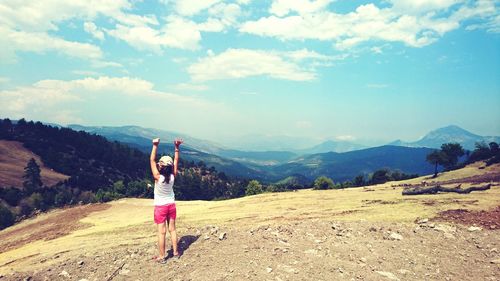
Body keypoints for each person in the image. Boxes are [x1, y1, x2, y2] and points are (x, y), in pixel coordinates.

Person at [150, 137, 183, 264]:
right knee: (172, 229)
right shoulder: (173, 176)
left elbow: (151, 160)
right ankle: (175, 253)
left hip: (160, 207)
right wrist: (176, 148)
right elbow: (176, 161)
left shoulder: (158, 177)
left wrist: (155, 145)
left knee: (161, 232)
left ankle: (162, 256)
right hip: (171, 205)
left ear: (161, 166)